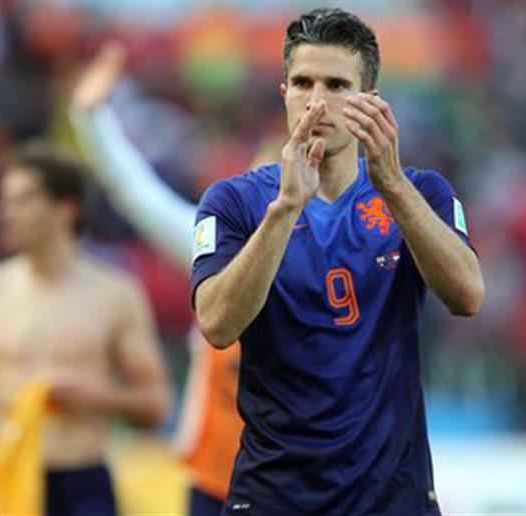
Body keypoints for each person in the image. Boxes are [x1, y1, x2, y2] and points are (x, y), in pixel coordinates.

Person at [190, 7, 484, 514]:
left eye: (337, 85)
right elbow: (216, 324)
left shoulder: (420, 192)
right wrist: (285, 209)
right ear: (283, 92)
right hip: (274, 495)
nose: (317, 101)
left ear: (369, 100)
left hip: (391, 497)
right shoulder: (233, 202)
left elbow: (467, 296)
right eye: (303, 83)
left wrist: (392, 185)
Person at [0, 142, 172, 516]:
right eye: (4, 200)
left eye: (22, 200)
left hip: (82, 484)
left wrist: (98, 398)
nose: (5, 213)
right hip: (9, 480)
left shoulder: (116, 295)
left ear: (66, 209)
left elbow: (157, 405)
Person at [69, 43, 243, 515]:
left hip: (294, 484)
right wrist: (90, 119)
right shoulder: (218, 246)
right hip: (212, 484)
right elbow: (135, 192)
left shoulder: (328, 257)